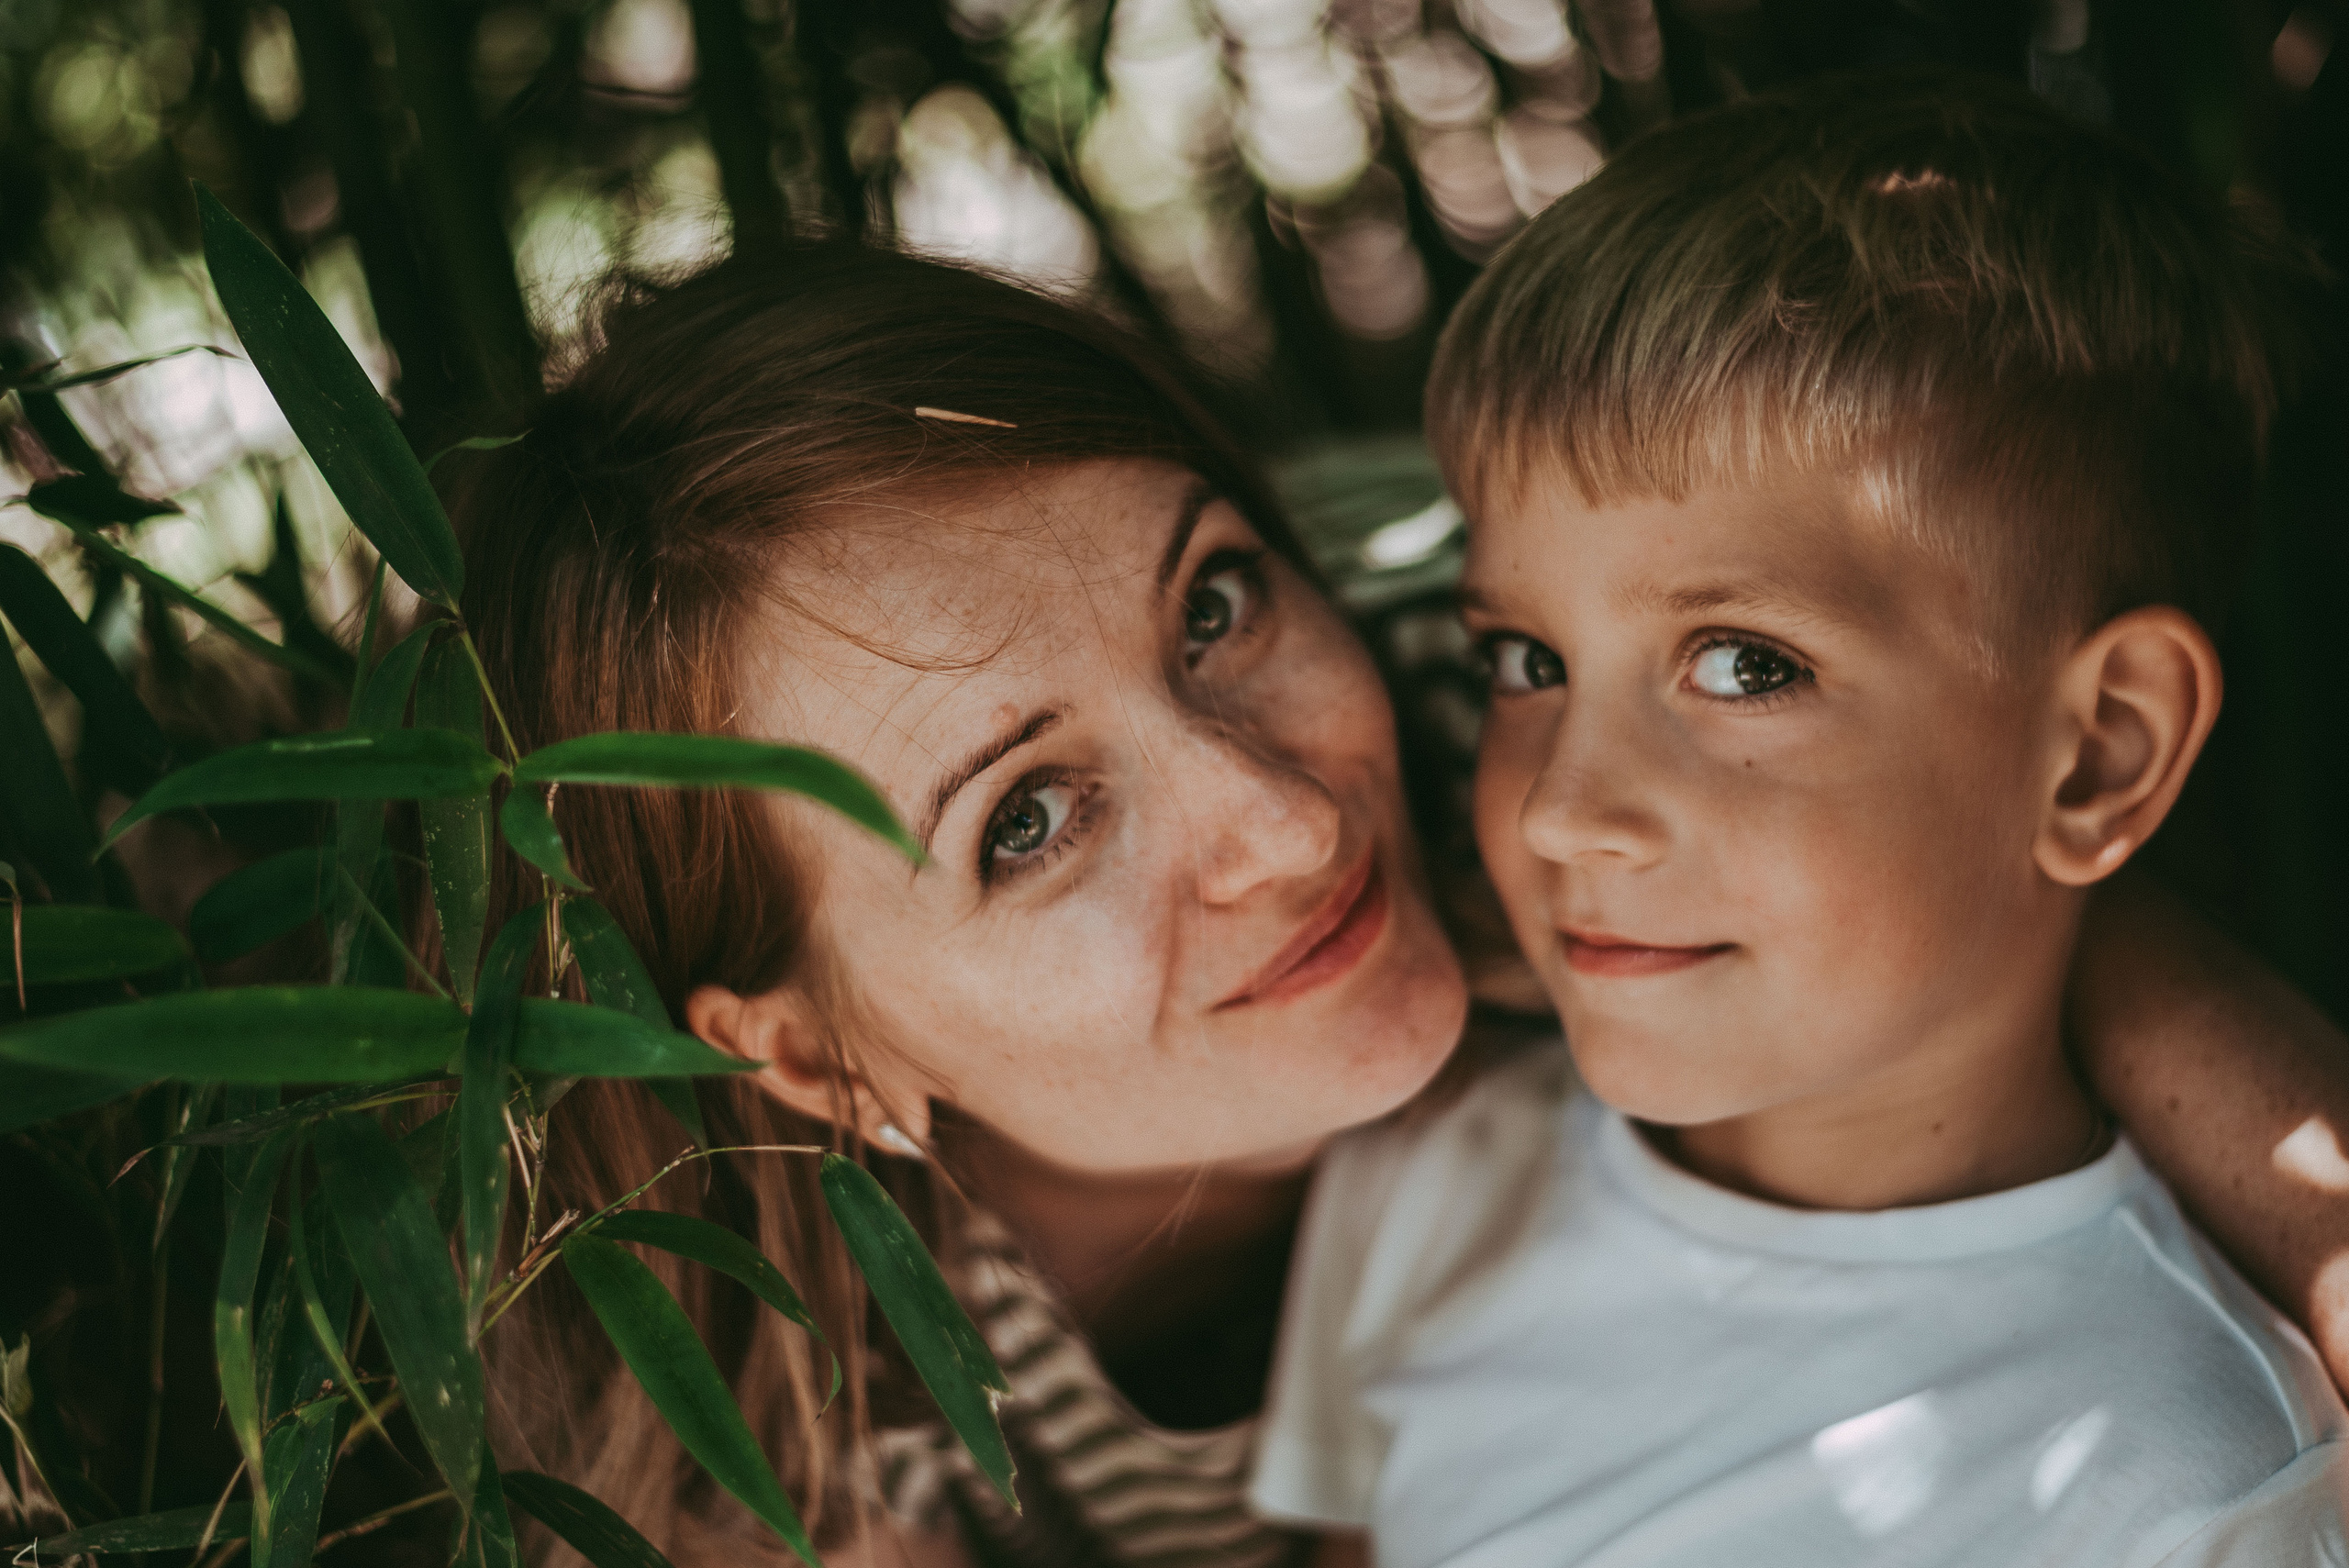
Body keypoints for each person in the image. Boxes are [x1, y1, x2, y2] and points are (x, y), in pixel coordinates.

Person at [442, 238, 2349, 1568]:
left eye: (1206, 602)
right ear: (803, 1048)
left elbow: (2033, 892)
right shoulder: (779, 1350)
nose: (1278, 814)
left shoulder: (1500, 712)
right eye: (1025, 822)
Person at [1247, 72, 2342, 1568]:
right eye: (1527, 661)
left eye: (1747, 666)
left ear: (2096, 753)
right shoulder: (1434, 1169)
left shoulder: (2180, 1488)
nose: (1568, 810)